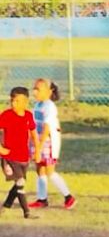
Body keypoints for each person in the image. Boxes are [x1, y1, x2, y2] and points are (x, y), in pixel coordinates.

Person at [29, 79, 75, 209]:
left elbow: (47, 127)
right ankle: (42, 199)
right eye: (35, 88)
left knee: (50, 171)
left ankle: (68, 197)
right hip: (37, 140)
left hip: (48, 142)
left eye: (38, 89)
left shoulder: (49, 106)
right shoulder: (38, 105)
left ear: (49, 92)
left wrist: (39, 145)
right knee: (40, 169)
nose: (35, 92)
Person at [0, 87, 36, 218]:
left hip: (23, 156)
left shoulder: (28, 116)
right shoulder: (6, 115)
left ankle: (5, 206)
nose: (13, 104)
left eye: (17, 101)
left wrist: (36, 150)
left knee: (19, 183)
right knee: (20, 182)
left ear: (25, 102)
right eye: (12, 101)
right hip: (9, 157)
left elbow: (33, 134)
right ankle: (27, 212)